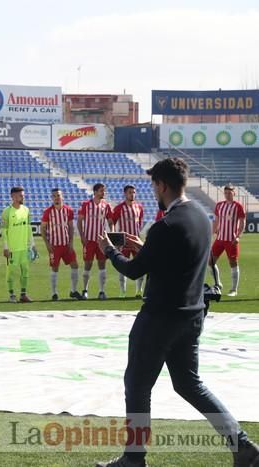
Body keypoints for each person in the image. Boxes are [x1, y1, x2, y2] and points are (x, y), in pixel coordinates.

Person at [95, 158, 259, 467]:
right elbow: (176, 261)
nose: (153, 190)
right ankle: (242, 445)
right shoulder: (199, 216)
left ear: (162, 185)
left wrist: (110, 250)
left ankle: (134, 457)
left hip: (160, 317)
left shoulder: (165, 225)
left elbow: (133, 272)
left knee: (138, 384)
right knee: (189, 383)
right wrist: (147, 248)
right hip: (192, 315)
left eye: (153, 185)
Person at [41, 188, 82, 301]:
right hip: (54, 245)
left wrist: (71, 242)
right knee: (55, 268)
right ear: (51, 198)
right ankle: (54, 293)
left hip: (66, 244)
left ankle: (73, 291)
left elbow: (70, 227)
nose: (56, 198)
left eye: (58, 195)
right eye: (54, 196)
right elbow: (43, 229)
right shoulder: (48, 212)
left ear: (62, 196)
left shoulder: (68, 210)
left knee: (75, 265)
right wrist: (47, 244)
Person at [77, 183, 113, 300]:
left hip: (101, 241)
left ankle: (102, 291)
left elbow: (110, 221)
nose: (104, 193)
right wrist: (82, 236)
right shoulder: (86, 205)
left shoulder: (106, 205)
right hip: (89, 240)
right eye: (102, 191)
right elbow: (79, 221)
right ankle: (85, 290)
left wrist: (110, 235)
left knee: (102, 264)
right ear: (96, 192)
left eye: (104, 191)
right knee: (88, 264)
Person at [1, 187, 36, 303]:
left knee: (25, 271)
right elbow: (4, 231)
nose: (23, 197)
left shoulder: (26, 210)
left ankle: (23, 294)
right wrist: (5, 247)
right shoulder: (7, 212)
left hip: (24, 248)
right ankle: (11, 295)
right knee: (10, 272)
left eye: (23, 195)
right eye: (21, 195)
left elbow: (29, 228)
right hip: (12, 249)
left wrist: (32, 244)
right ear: (13, 196)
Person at [210, 184, 246, 297]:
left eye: (230, 193)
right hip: (220, 239)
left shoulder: (238, 206)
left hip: (231, 240)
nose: (227, 194)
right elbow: (216, 221)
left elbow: (242, 222)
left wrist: (238, 236)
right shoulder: (219, 205)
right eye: (226, 193)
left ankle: (233, 289)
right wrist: (212, 232)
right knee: (210, 262)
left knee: (233, 263)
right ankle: (218, 283)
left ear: (234, 193)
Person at [112, 185, 145, 298]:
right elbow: (112, 223)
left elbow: (139, 222)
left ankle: (139, 291)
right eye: (130, 192)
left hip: (136, 240)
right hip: (124, 242)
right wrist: (116, 240)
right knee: (123, 267)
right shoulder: (119, 208)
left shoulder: (139, 207)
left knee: (141, 265)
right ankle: (122, 292)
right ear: (125, 194)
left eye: (134, 192)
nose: (132, 194)